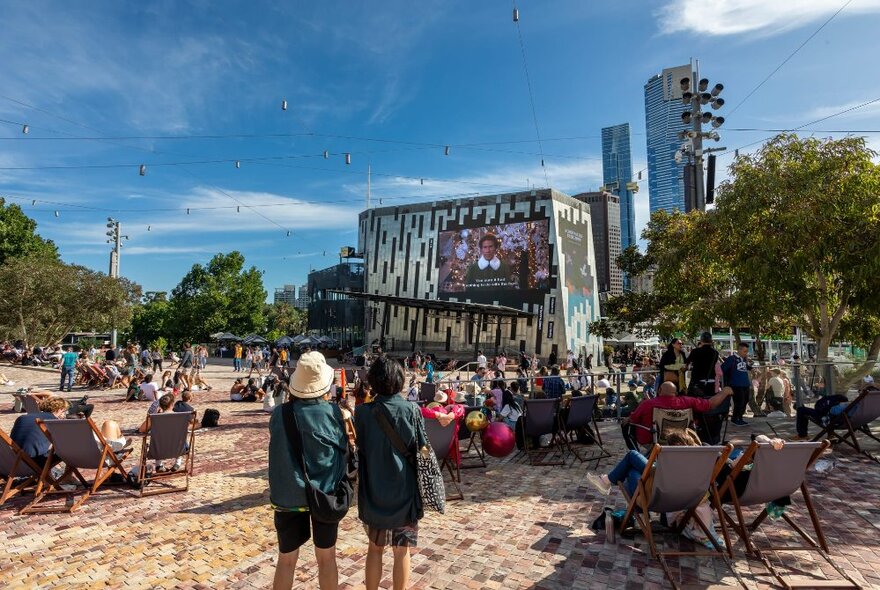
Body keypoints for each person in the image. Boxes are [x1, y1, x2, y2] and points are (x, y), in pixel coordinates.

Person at [268, 351, 348, 590]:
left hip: (287, 494)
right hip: (323, 494)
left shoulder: (280, 414)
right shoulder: (333, 413)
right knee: (327, 558)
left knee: (286, 560)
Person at [355, 355, 426, 590]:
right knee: (401, 551)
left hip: (373, 489)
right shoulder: (411, 411)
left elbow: (361, 448)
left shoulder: (363, 413)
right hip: (404, 492)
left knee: (374, 550)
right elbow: (422, 450)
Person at [622, 382, 733, 450]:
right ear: (675, 393)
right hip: (681, 439)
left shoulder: (648, 404)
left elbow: (634, 419)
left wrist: (628, 418)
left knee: (626, 425)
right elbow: (711, 404)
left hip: (653, 441)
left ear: (659, 390)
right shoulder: (688, 401)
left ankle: (636, 453)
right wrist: (725, 391)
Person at [10, 396, 68, 467]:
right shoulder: (53, 422)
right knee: (69, 451)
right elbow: (63, 444)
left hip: (11, 459)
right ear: (60, 409)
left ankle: (47, 476)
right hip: (32, 462)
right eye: (64, 411)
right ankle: (68, 476)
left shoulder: (22, 417)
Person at [722, 343, 753, 426]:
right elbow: (723, 369)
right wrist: (727, 384)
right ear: (739, 350)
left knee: (745, 401)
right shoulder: (731, 359)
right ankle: (735, 418)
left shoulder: (743, 359)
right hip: (736, 384)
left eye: (747, 351)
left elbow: (746, 367)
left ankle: (740, 417)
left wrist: (751, 367)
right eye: (744, 351)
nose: (746, 353)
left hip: (745, 384)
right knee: (739, 402)